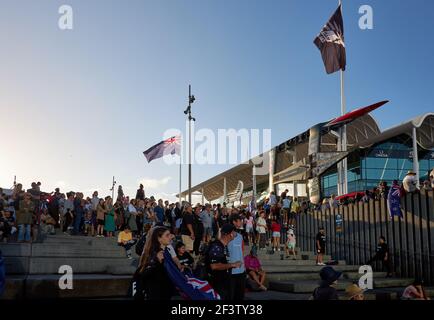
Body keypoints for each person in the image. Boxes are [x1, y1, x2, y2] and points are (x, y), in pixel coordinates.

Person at [133, 226, 175, 300]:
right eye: (167, 235)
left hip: (163, 291)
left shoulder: (165, 252)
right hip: (155, 293)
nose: (170, 237)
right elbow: (144, 273)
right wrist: (157, 262)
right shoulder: (156, 253)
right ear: (159, 239)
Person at [206, 223, 241, 300]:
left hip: (224, 282)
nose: (235, 234)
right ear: (230, 234)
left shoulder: (224, 246)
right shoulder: (216, 246)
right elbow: (214, 266)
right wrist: (232, 265)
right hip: (217, 284)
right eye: (234, 232)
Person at [227, 214, 246, 300]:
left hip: (241, 270)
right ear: (234, 222)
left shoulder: (240, 236)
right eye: (239, 221)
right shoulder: (225, 235)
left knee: (240, 295)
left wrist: (244, 266)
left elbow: (242, 251)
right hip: (231, 271)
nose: (241, 222)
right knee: (231, 295)